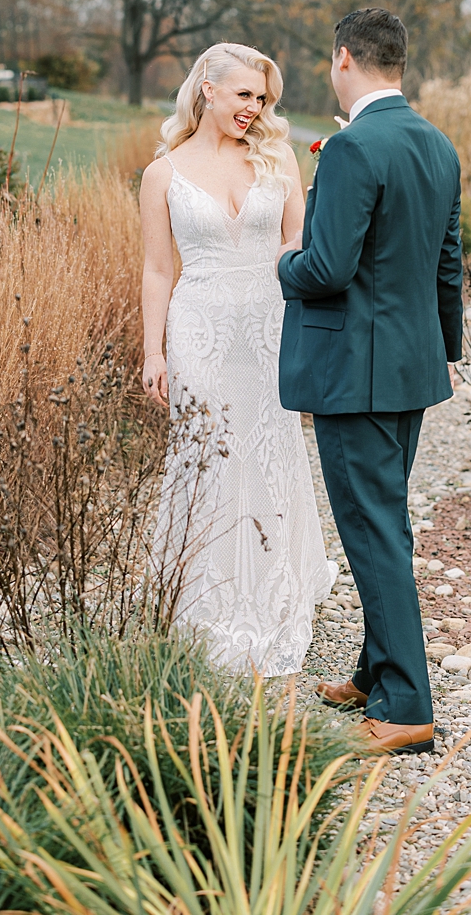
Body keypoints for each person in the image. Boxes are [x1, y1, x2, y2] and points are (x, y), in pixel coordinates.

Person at [278, 7, 463, 756]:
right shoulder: (437, 145)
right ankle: (371, 672)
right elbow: (448, 263)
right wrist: (440, 350)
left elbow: (325, 269)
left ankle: (409, 705)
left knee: (373, 528)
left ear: (344, 58)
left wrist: (282, 263)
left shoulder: (354, 148)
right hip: (410, 370)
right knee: (384, 523)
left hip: (355, 373)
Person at [140, 42, 334, 679]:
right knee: (209, 455)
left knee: (268, 448)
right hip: (197, 328)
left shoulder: (276, 159)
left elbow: (297, 243)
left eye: (261, 97)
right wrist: (153, 350)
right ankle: (201, 594)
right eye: (243, 94)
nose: (254, 108)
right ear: (206, 90)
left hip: (268, 323)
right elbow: (157, 267)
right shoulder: (162, 173)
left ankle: (275, 583)